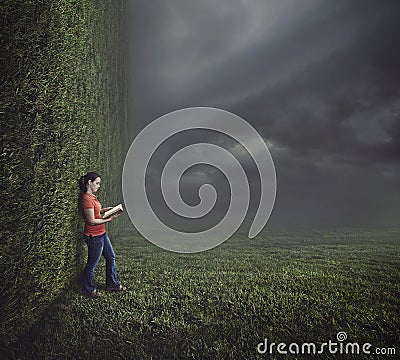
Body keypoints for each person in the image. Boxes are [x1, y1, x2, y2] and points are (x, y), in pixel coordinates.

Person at [78, 172, 126, 298]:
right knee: (92, 264)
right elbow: (91, 221)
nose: (99, 186)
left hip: (102, 234)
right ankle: (87, 289)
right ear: (89, 182)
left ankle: (112, 284)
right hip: (94, 236)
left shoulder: (93, 197)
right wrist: (108, 220)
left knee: (111, 258)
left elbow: (96, 213)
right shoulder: (86, 199)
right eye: (97, 183)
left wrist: (106, 211)